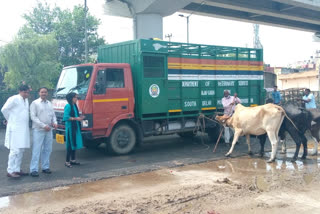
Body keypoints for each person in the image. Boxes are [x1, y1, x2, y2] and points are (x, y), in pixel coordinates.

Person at [1, 85, 30, 178]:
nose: (27, 94)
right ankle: (10, 170)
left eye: (28, 92)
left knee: (21, 149)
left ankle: (17, 169)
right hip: (15, 128)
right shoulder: (14, 98)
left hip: (23, 128)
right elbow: (4, 109)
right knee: (14, 150)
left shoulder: (26, 100)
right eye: (25, 92)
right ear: (20, 91)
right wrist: (9, 119)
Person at [29, 87, 58, 177]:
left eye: (45, 92)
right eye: (42, 92)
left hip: (49, 129)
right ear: (39, 93)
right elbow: (33, 117)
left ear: (47, 93)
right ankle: (33, 169)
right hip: (39, 130)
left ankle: (45, 167)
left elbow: (53, 115)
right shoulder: (35, 103)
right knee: (36, 150)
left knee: (47, 149)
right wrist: (43, 125)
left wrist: (55, 123)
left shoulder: (49, 103)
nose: (43, 93)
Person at [63, 92, 84, 168]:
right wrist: (76, 118)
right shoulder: (68, 106)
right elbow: (66, 117)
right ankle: (67, 161)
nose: (76, 99)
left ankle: (73, 160)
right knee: (70, 144)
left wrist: (80, 117)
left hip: (75, 126)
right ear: (71, 98)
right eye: (75, 97)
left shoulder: (74, 105)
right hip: (70, 128)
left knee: (74, 142)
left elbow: (75, 115)